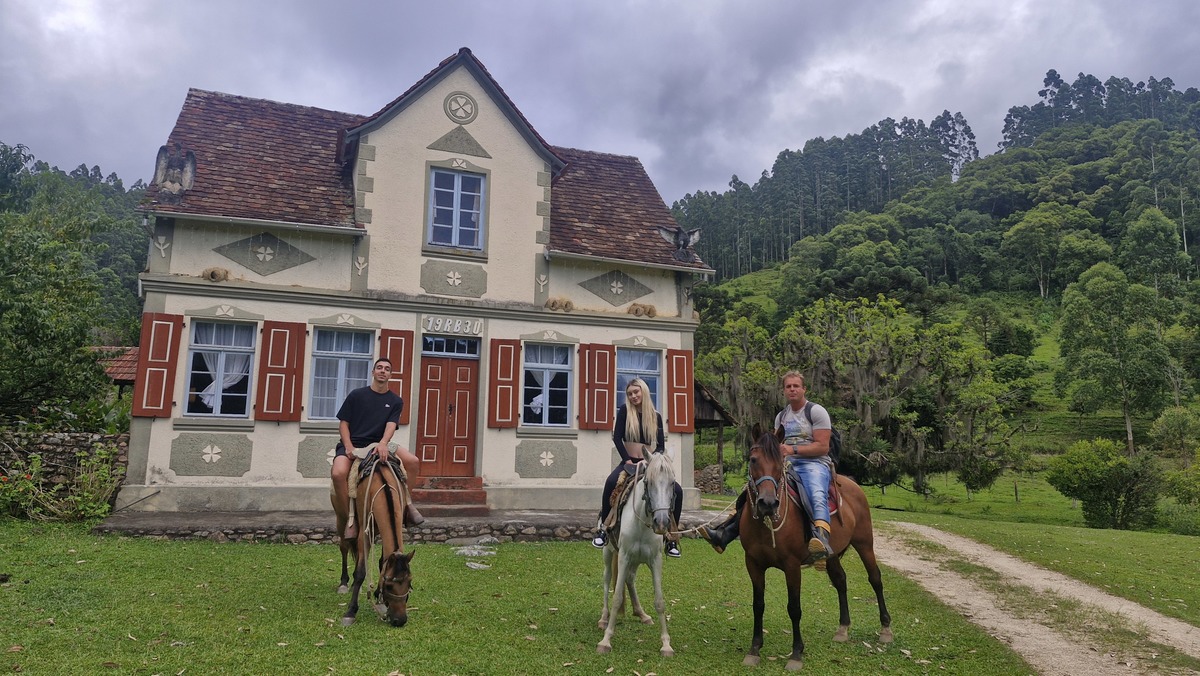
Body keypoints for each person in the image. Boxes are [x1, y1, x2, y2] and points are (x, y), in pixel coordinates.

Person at [699, 371, 833, 563]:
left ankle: (821, 540)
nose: (792, 389)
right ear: (784, 390)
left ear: (804, 389)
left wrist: (791, 449)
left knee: (816, 492)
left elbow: (823, 446)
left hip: (814, 463)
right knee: (754, 488)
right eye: (788, 386)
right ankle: (725, 533)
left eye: (796, 386)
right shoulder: (782, 416)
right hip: (786, 462)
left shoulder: (816, 412)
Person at [331, 357, 424, 538]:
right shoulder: (356, 395)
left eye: (387, 368)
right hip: (354, 443)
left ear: (390, 375)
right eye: (379, 368)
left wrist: (383, 443)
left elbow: (391, 425)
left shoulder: (395, 401)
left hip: (381, 443)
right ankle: (351, 519)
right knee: (338, 473)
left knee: (413, 461)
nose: (383, 371)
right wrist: (348, 447)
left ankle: (405, 505)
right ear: (373, 372)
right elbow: (343, 424)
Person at [591, 378, 685, 558]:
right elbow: (617, 438)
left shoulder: (655, 416)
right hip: (629, 462)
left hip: (649, 464)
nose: (633, 396)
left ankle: (671, 538)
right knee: (611, 482)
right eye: (629, 394)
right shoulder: (625, 411)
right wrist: (627, 460)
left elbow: (659, 446)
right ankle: (603, 528)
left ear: (644, 391)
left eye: (636, 392)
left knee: (677, 491)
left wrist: (650, 461)